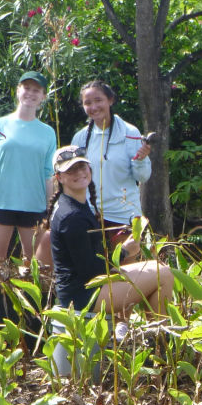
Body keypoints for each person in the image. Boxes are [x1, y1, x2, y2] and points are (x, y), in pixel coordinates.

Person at [48, 145, 173, 360]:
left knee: (156, 269)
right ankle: (161, 351)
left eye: (82, 167)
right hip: (83, 295)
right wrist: (124, 252)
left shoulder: (73, 204)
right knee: (163, 275)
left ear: (89, 169)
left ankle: (150, 344)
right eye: (71, 170)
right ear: (59, 177)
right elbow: (90, 271)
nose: (79, 173)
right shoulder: (72, 217)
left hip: (83, 288)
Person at [0, 71, 57, 266]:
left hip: (34, 206)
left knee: (35, 266)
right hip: (1, 202)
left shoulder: (48, 132)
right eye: (26, 88)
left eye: (36, 90)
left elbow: (48, 173)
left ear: (43, 96)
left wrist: (51, 209)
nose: (30, 93)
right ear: (18, 91)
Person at [70, 80, 152, 262]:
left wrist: (141, 159)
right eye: (87, 103)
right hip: (90, 215)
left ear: (110, 100)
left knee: (127, 272)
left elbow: (143, 176)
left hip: (124, 215)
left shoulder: (130, 132)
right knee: (93, 270)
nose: (93, 107)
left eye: (98, 100)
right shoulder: (81, 137)